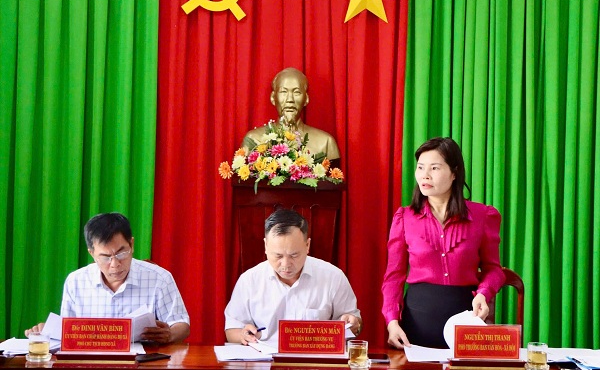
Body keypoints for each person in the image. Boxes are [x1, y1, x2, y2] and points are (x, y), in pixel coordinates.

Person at [381, 137, 506, 349]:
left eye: (434, 168)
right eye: (420, 167)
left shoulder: (483, 216)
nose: (425, 175)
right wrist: (392, 321)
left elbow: (494, 270)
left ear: (454, 173)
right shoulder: (405, 218)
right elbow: (393, 276)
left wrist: (484, 293)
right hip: (417, 325)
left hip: (465, 322)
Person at [25, 212, 190, 344]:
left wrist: (169, 334)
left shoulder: (159, 278)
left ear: (132, 245)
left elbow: (182, 324)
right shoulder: (76, 281)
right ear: (92, 253)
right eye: (105, 257)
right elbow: (68, 333)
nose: (115, 264)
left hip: (144, 361)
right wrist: (48, 332)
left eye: (121, 253)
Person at [224, 208, 361, 345]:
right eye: (278, 256)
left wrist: (353, 323)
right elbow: (232, 329)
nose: (286, 264)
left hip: (314, 356)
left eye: (294, 255)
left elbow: (355, 325)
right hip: (264, 355)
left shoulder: (333, 277)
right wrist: (242, 334)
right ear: (265, 245)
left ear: (307, 245)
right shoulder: (249, 280)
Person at [242, 67, 341, 160]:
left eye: (297, 92)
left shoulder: (325, 143)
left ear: (306, 99)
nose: (290, 99)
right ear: (273, 98)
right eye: (283, 92)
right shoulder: (253, 140)